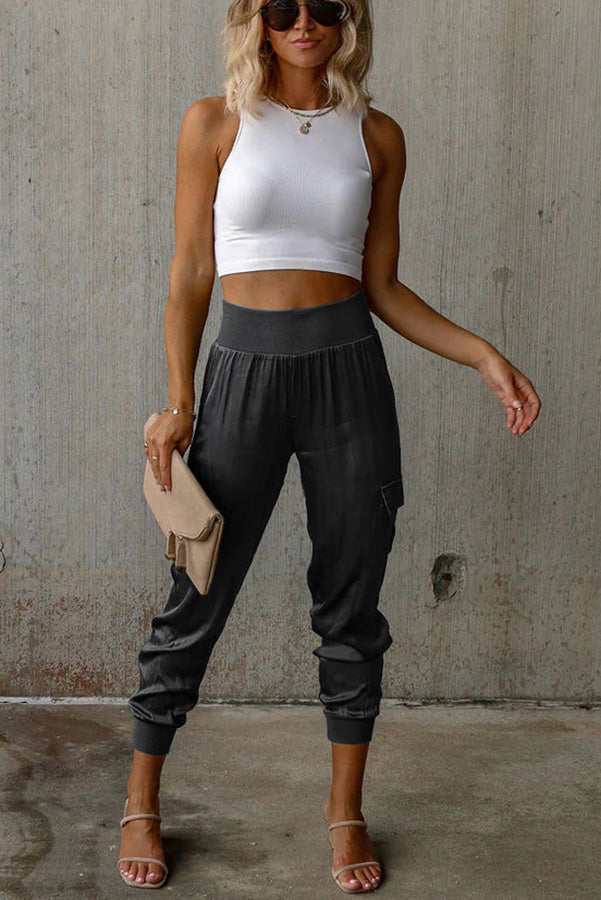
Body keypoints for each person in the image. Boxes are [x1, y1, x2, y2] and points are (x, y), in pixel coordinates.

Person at [118, 0, 542, 892]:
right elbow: (190, 273)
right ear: (257, 21)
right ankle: (141, 800)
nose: (302, 21)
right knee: (197, 588)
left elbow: (381, 285)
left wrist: (482, 354)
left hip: (349, 376)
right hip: (242, 374)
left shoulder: (377, 136)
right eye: (282, 7)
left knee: (351, 601)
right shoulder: (214, 122)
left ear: (350, 19)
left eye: (323, 5)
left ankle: (345, 810)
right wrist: (179, 400)